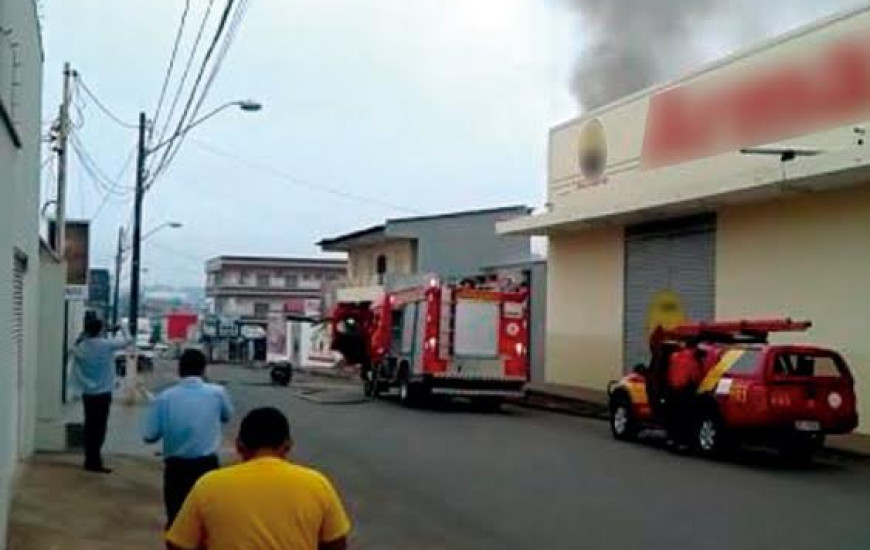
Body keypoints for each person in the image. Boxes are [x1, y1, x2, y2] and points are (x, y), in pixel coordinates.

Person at [166, 407, 351, 550]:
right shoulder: (317, 484)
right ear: (288, 445)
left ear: (239, 446)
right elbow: (337, 543)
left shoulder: (209, 485)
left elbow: (178, 544)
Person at [143, 349, 233, 526]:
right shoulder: (217, 393)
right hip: (207, 467)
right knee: (207, 521)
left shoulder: (165, 397)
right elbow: (226, 416)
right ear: (203, 370)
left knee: (177, 520)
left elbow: (149, 435)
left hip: (176, 468)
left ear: (179, 370)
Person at [70, 316, 131, 473]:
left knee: (89, 425)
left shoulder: (81, 347)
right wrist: (122, 326)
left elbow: (73, 349)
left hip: (88, 392)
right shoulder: (106, 345)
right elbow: (128, 341)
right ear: (101, 330)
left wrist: (82, 337)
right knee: (100, 426)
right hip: (104, 392)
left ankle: (90, 458)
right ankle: (95, 460)